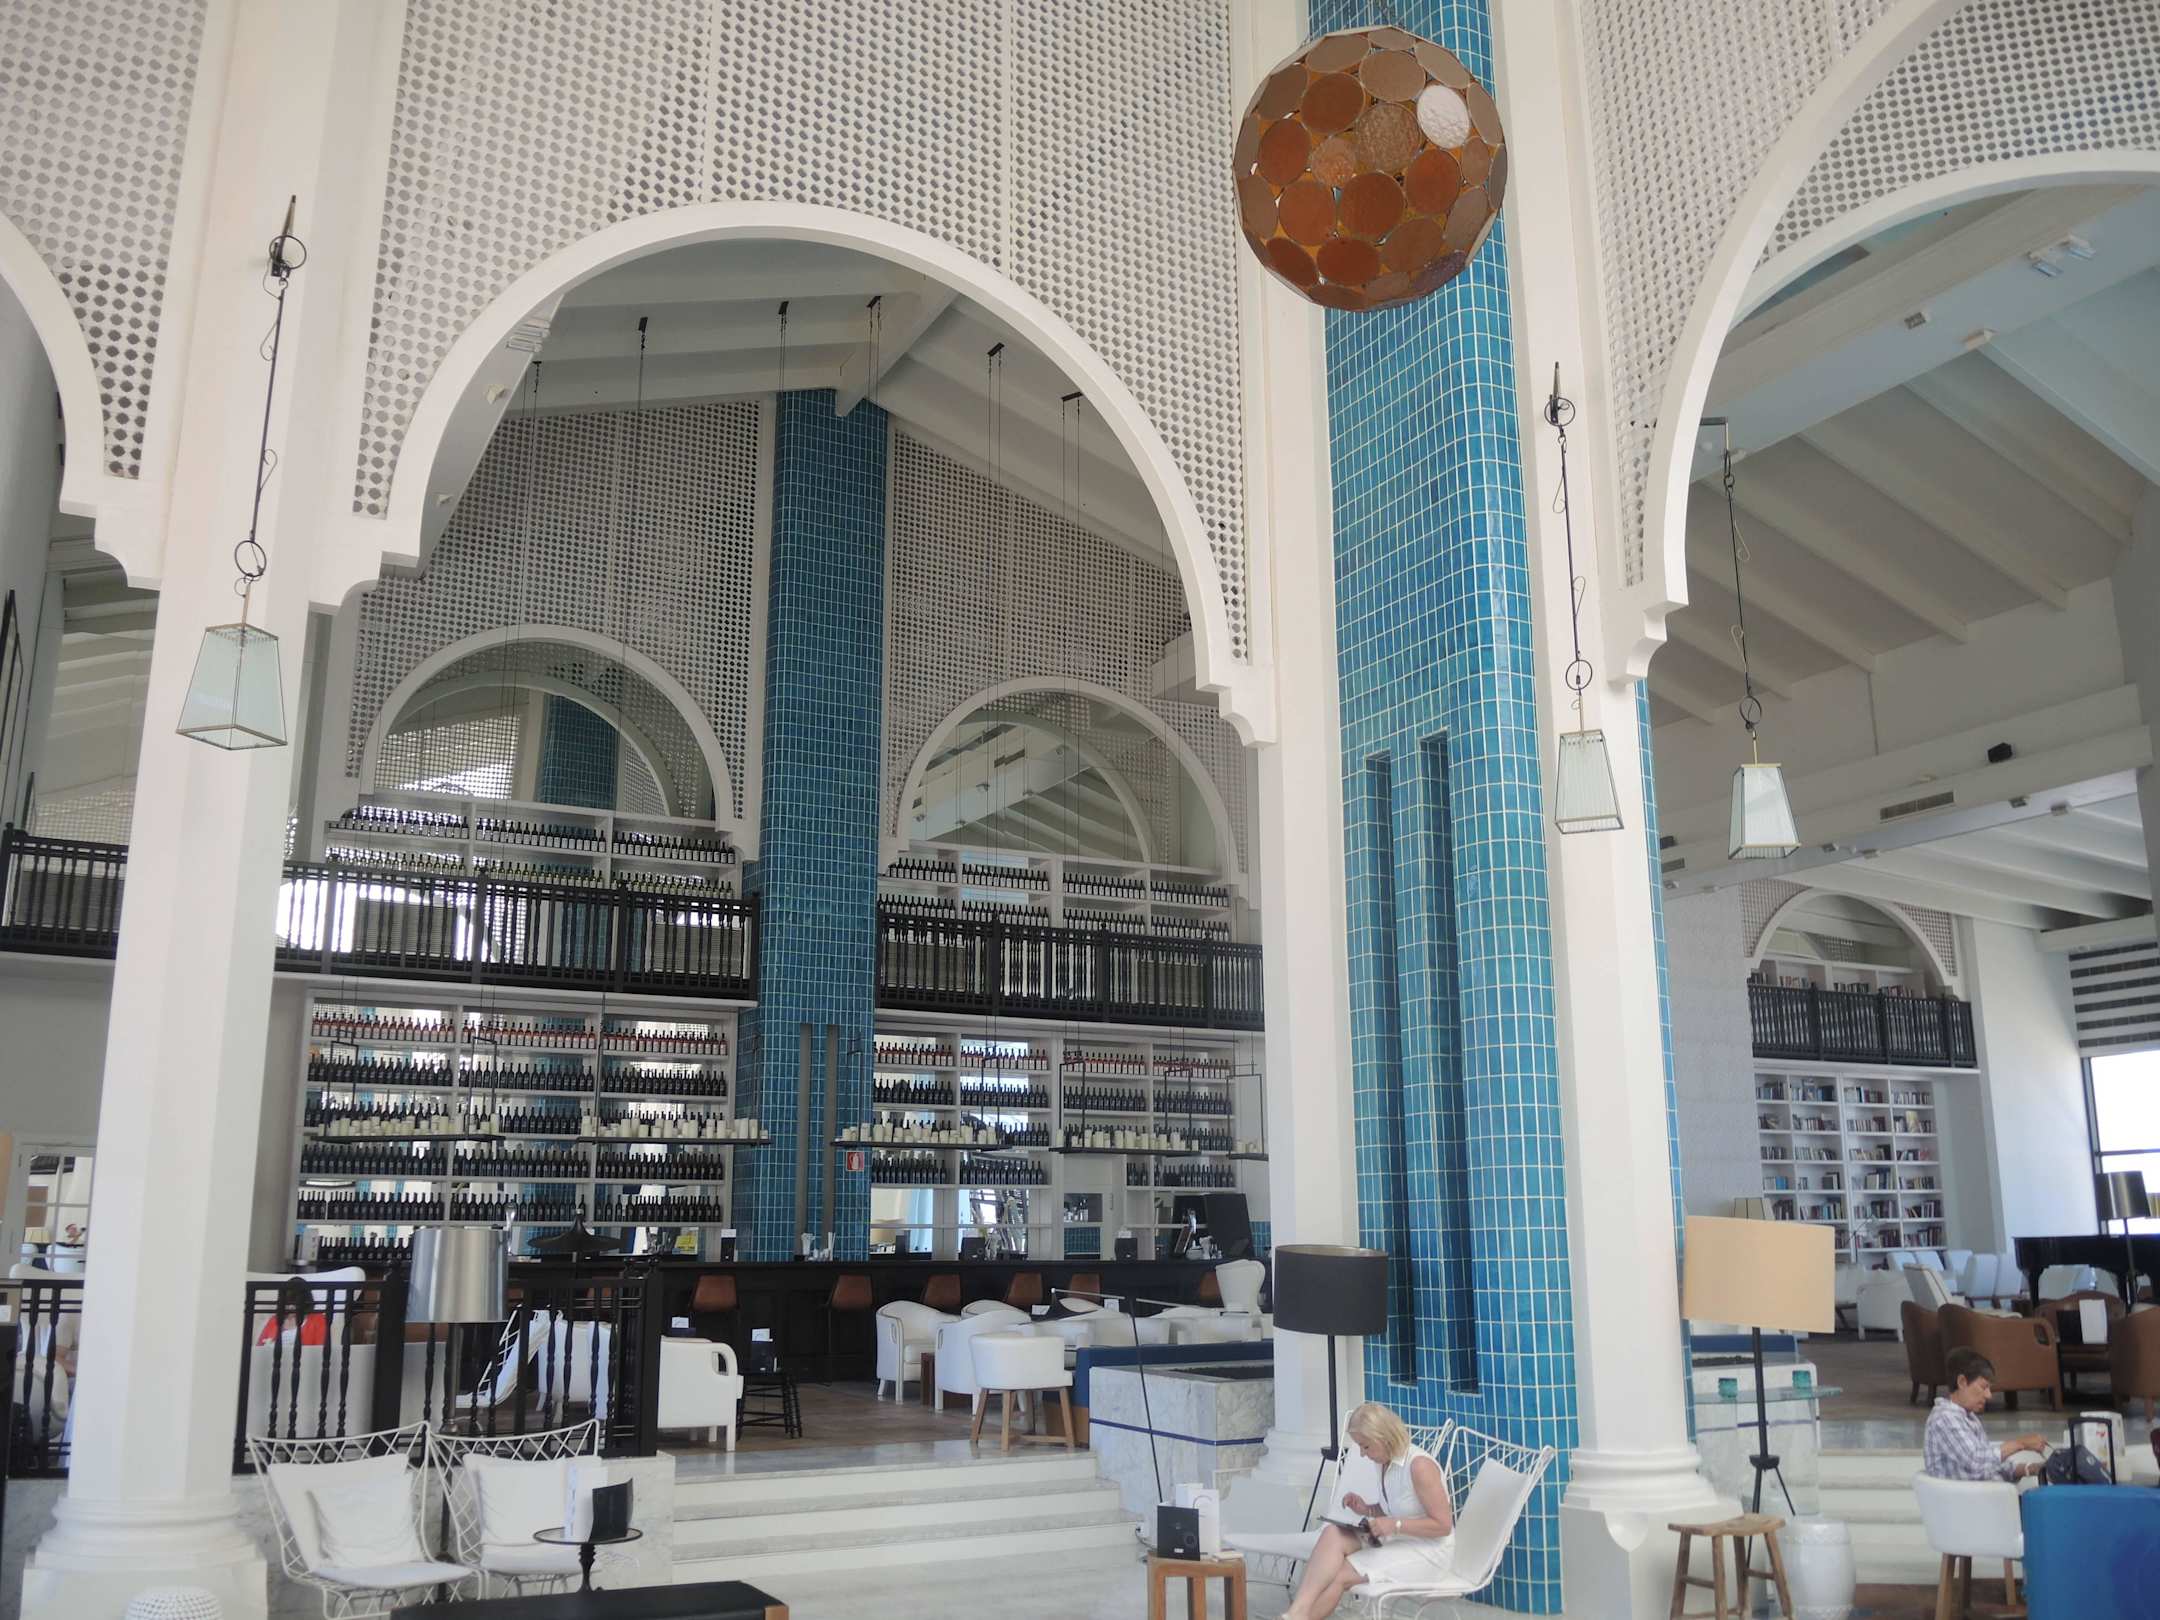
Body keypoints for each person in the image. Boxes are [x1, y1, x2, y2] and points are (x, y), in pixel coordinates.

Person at [1283, 1401, 1454, 1620]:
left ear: (1384, 1437)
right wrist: (1367, 1508)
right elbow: (1396, 1508)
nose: (1363, 1455)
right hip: (1400, 1540)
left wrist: (1394, 1525)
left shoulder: (1420, 1466)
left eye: (1365, 1446)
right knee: (1333, 1534)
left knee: (1340, 1574)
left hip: (1430, 1552)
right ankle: (1295, 1613)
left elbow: (1443, 1525)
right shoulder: (1383, 1462)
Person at [1923, 1347, 2046, 1482]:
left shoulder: (1969, 1417)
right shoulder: (1945, 1418)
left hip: (1984, 1492)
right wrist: (2020, 1443)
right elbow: (1976, 1463)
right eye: (1983, 1387)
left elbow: (1991, 1465)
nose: (1989, 1395)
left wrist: (2033, 1469)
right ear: (1962, 1382)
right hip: (1967, 1495)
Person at [256, 1275, 328, 1347]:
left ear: (305, 1301)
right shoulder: (274, 1320)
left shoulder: (318, 1319)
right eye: (288, 1302)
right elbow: (258, 1348)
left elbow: (320, 1350)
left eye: (294, 1303)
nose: (290, 1307)